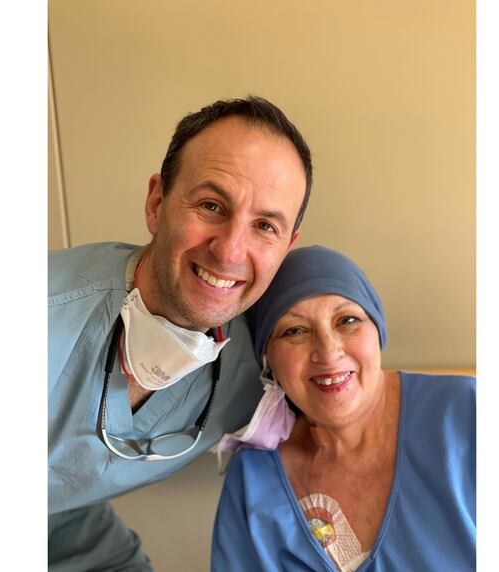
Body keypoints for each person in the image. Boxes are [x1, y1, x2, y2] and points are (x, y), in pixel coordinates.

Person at [48, 96, 313, 571]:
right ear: (157, 203)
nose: (230, 250)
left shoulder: (254, 374)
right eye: (211, 205)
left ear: (287, 245)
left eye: (264, 226)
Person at [211, 246, 476, 571]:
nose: (328, 351)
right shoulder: (254, 479)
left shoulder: (467, 413)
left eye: (347, 320)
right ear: (268, 361)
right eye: (295, 331)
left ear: (377, 329)